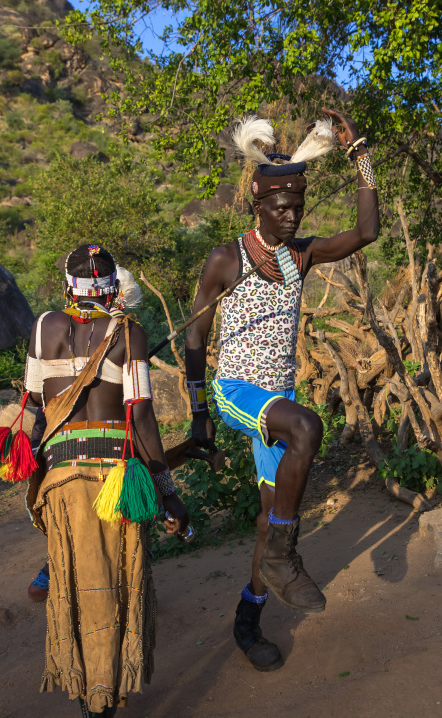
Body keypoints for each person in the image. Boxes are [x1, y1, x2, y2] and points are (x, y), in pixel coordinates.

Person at [185, 109, 379, 672]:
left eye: (297, 207)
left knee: (271, 514)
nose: (291, 216)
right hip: (237, 391)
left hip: (279, 395)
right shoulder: (227, 259)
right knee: (307, 427)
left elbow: (366, 232)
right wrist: (199, 414)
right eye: (280, 208)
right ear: (257, 206)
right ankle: (285, 556)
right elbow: (196, 335)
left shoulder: (302, 254)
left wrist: (360, 154)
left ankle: (249, 617)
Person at [24, 244, 188, 716]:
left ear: (67, 288)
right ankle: (106, 699)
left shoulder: (43, 327)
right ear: (114, 286)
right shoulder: (128, 332)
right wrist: (168, 494)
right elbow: (141, 418)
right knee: (116, 583)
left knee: (73, 584)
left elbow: (37, 400)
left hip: (59, 481)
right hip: (114, 479)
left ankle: (86, 694)